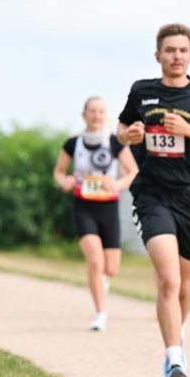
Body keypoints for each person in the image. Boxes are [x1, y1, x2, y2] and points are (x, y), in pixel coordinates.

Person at [116, 23, 190, 377]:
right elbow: (122, 129)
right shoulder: (142, 91)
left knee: (185, 284)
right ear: (158, 56)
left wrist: (189, 130)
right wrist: (128, 135)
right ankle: (174, 359)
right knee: (169, 280)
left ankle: (177, 336)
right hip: (152, 195)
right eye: (169, 50)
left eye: (182, 50)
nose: (176, 56)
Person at [53, 97, 137, 331]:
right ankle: (100, 313)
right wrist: (65, 181)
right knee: (95, 260)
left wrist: (118, 184)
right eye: (92, 111)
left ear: (105, 115)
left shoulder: (114, 142)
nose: (96, 115)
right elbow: (59, 172)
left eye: (100, 111)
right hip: (83, 206)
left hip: (108, 207)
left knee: (111, 268)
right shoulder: (72, 143)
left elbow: (132, 172)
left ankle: (103, 282)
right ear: (84, 115)